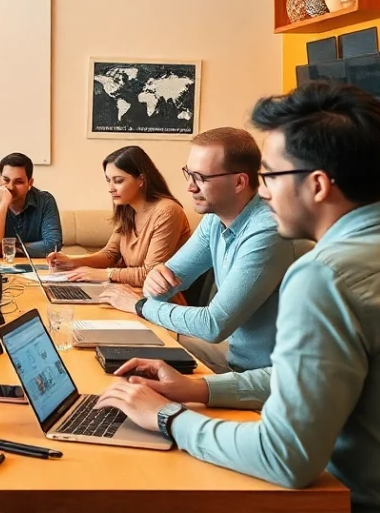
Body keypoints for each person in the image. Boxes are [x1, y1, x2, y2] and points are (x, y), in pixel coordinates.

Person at [95, 83, 380, 512]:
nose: (261, 192)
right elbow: (305, 377)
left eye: (271, 177)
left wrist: (165, 417)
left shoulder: (325, 275)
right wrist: (199, 388)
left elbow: (285, 458)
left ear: (317, 185)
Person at [97, 128, 295, 373]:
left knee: (142, 385)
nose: (190, 187)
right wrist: (154, 279)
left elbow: (214, 325)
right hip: (231, 353)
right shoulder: (215, 218)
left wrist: (139, 306)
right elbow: (161, 283)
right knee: (118, 361)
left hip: (263, 375)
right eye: (188, 174)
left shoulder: (267, 231)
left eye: (201, 177)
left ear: (239, 182)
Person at [48, 146, 190, 286]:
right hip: (129, 291)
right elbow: (110, 255)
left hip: (162, 300)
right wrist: (72, 261)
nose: (110, 188)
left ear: (141, 180)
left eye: (118, 181)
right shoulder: (128, 209)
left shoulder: (168, 212)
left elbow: (152, 275)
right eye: (108, 180)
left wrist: (105, 274)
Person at [0, 152, 63, 259]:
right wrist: (3, 204)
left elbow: (53, 245)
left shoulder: (45, 201)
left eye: (18, 182)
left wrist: (9, 247)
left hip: (37, 269)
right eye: (6, 180)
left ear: (30, 183)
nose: (10, 187)